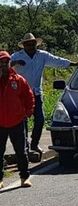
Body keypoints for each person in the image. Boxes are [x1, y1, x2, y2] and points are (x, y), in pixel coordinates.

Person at [10, 33, 78, 158]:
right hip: (21, 94)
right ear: (23, 45)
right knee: (22, 122)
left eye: (33, 43)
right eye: (28, 44)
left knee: (40, 120)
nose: (30, 46)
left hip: (36, 93)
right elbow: (5, 65)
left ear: (36, 44)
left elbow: (57, 61)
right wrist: (14, 63)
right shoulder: (16, 56)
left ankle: (34, 143)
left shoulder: (42, 56)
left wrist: (74, 63)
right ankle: (25, 148)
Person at [0, 51, 35, 189]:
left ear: (10, 63)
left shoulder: (18, 79)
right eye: (1, 62)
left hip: (17, 121)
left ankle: (24, 177)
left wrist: (28, 112)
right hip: (0, 123)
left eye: (6, 62)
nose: (3, 65)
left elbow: (29, 96)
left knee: (21, 151)